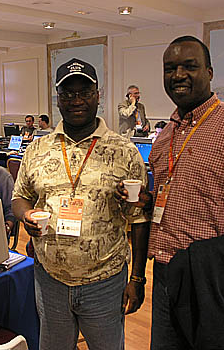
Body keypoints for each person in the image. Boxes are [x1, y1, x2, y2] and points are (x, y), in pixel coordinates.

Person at [117, 36, 224, 349]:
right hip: (166, 274)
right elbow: (174, 195)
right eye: (170, 68)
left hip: (215, 278)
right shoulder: (166, 135)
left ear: (209, 72)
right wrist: (148, 203)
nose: (178, 74)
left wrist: (216, 263)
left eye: (189, 66)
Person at [12, 58, 150, 350]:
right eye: (68, 94)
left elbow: (138, 219)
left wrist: (137, 278)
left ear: (97, 96)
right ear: (58, 99)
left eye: (84, 92)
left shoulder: (124, 151)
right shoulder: (37, 148)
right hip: (49, 279)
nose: (76, 100)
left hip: (105, 280)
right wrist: (25, 215)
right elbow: (19, 197)